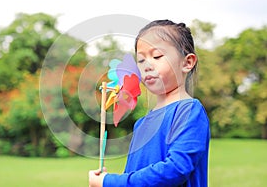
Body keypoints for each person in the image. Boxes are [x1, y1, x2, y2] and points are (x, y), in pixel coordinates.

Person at [89, 19, 211, 187]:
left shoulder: (189, 111)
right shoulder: (141, 124)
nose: (147, 65)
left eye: (157, 56)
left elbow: (175, 169)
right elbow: (134, 177)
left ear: (187, 62)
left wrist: (110, 182)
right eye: (141, 60)